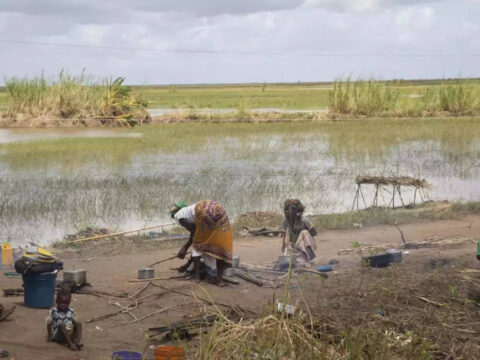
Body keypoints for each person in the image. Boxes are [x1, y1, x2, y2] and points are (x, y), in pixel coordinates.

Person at [170, 200, 233, 286]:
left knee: (198, 244)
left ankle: (196, 278)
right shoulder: (189, 211)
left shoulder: (179, 216)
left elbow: (194, 232)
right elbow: (197, 230)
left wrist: (185, 247)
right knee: (219, 244)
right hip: (219, 209)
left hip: (203, 211)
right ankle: (220, 280)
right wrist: (186, 265)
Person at [281, 198, 317, 267]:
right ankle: (293, 258)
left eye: (290, 209)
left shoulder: (303, 220)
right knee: (285, 236)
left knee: (304, 232)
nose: (287, 212)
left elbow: (314, 232)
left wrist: (302, 230)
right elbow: (285, 239)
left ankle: (305, 258)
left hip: (307, 245)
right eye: (286, 209)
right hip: (293, 247)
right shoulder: (285, 222)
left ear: (296, 211)